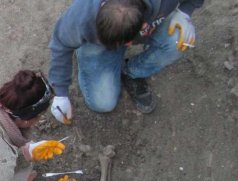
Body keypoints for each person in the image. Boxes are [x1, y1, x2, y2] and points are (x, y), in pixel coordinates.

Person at [48, 0, 204, 122]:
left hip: (152, 18)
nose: (126, 46)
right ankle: (87, 50)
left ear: (143, 25)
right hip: (98, 42)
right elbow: (60, 43)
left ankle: (132, 72)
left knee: (179, 42)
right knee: (103, 103)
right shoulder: (82, 15)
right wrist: (60, 93)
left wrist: (184, 11)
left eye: (125, 43)